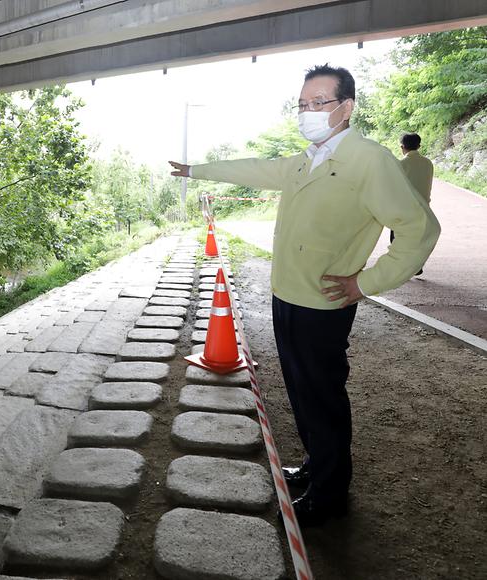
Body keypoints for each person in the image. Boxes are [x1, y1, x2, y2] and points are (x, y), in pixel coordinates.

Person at [169, 64, 440, 527]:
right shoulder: (304, 158)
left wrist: (366, 283)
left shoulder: (370, 160)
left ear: (346, 108)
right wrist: (198, 169)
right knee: (299, 390)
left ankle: (331, 494)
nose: (308, 112)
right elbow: (255, 168)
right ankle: (316, 466)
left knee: (323, 397)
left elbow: (421, 229)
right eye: (302, 105)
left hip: (325, 303)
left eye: (319, 103)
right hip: (287, 294)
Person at [394, 132, 434, 275]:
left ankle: (399, 268)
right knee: (419, 238)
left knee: (398, 238)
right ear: (419, 146)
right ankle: (417, 266)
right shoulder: (428, 163)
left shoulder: (401, 164)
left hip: (404, 209)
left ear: (402, 147)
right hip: (424, 208)